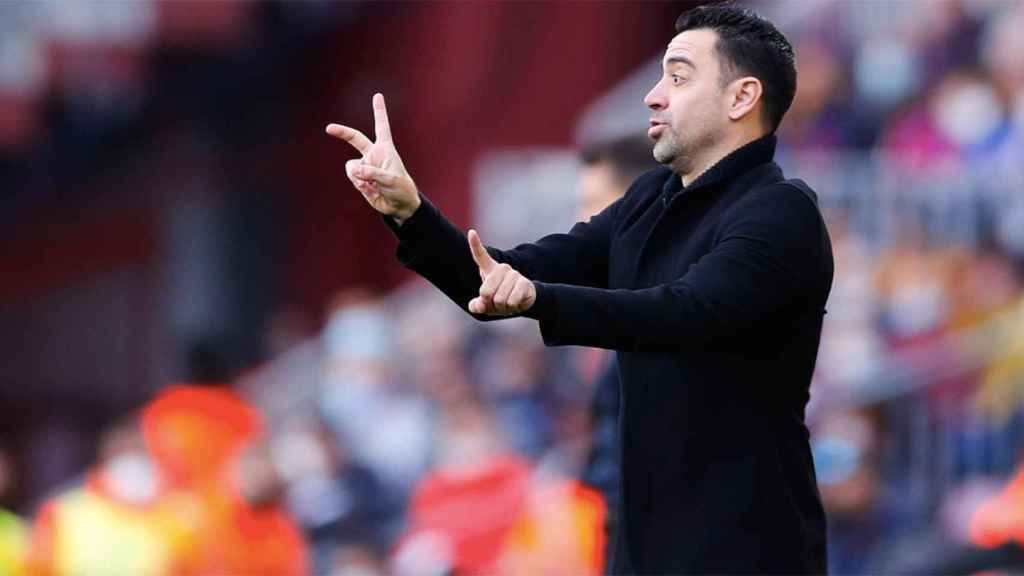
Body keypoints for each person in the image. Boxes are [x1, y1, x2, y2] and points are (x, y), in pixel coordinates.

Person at [327, 5, 834, 573]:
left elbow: (690, 313)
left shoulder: (780, 211)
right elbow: (502, 275)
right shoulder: (648, 200)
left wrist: (542, 301)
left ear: (742, 98)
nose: (654, 95)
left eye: (679, 75)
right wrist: (411, 212)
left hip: (748, 548)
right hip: (641, 549)